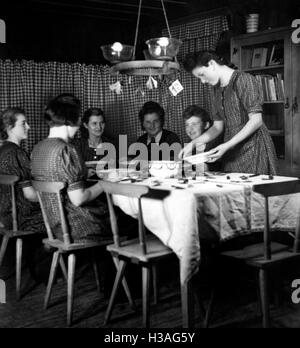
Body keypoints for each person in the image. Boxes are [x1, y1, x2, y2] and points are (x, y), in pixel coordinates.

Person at [180, 51, 277, 175]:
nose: (202, 81)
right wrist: (192, 144)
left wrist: (227, 145)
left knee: (252, 190)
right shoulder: (215, 90)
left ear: (211, 64)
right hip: (231, 150)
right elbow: (217, 127)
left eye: (202, 75)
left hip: (254, 149)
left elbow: (256, 120)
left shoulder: (244, 80)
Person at [31, 94, 111, 243]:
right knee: (131, 220)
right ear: (71, 120)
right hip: (79, 226)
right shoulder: (67, 150)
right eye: (79, 117)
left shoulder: (38, 148)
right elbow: (79, 199)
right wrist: (104, 183)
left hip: (55, 226)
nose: (80, 121)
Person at [0, 107, 44, 233]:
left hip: (5, 215)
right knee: (64, 212)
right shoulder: (17, 153)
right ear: (9, 127)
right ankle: (46, 250)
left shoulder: (3, 150)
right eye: (23, 123)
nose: (28, 127)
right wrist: (54, 197)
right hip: (23, 217)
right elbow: (30, 195)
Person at [183, 104, 221, 172]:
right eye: (187, 125)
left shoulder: (213, 144)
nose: (190, 129)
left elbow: (215, 167)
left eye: (194, 124)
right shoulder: (188, 145)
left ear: (206, 125)